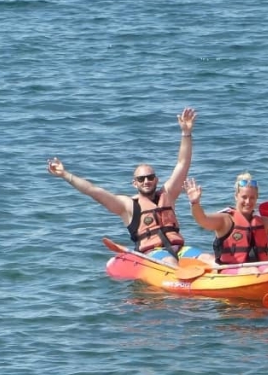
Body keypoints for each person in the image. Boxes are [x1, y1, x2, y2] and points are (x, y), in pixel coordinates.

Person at [46, 107, 206, 266]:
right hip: (154, 254)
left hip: (179, 248)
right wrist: (65, 174)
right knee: (170, 261)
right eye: (141, 179)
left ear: (156, 180)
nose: (146, 181)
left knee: (208, 258)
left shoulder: (168, 195)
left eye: (150, 177)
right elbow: (93, 191)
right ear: (134, 183)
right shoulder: (127, 206)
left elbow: (183, 164)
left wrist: (186, 133)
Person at [184, 174, 268, 272]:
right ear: (236, 196)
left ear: (257, 198)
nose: (248, 201)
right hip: (231, 270)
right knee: (251, 271)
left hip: (260, 269)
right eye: (244, 197)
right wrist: (195, 204)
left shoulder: (264, 222)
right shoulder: (225, 220)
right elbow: (202, 220)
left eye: (252, 197)